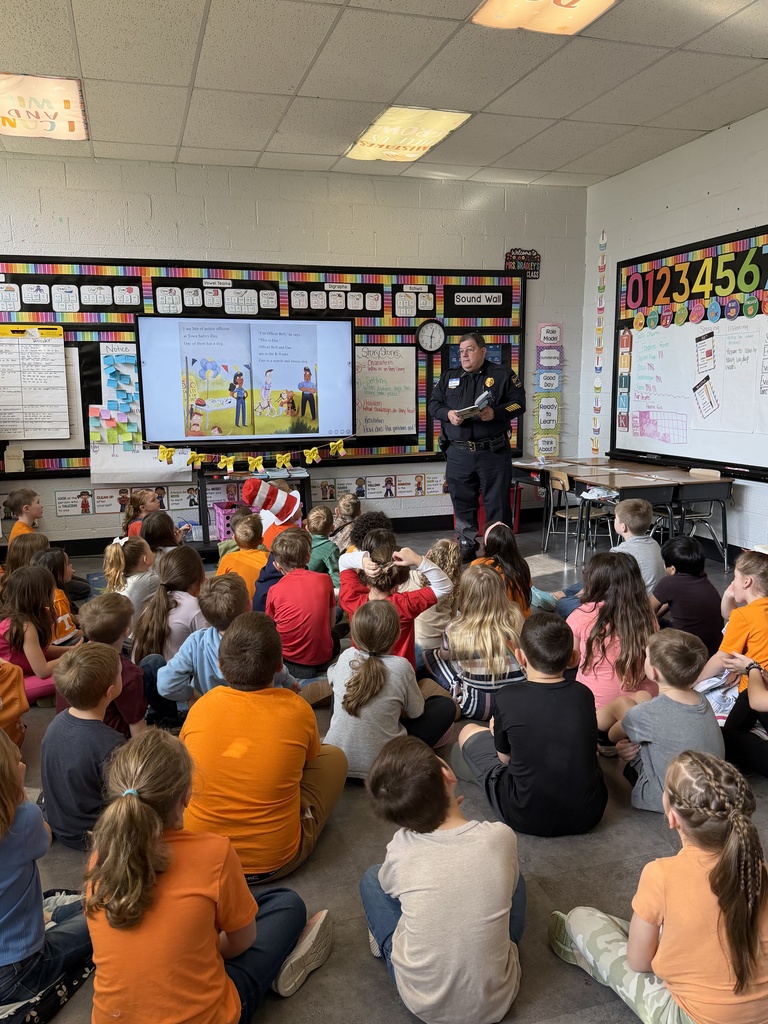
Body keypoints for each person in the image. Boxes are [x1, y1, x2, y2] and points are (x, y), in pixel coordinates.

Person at [85, 730, 333, 1024]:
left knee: (236, 907)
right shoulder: (215, 853)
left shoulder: (100, 858)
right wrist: (207, 944)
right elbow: (242, 941)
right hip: (210, 1014)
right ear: (187, 795)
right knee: (286, 903)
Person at [549, 751, 768, 1024]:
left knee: (581, 918)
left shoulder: (661, 875)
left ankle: (584, 954)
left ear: (672, 817)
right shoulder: (759, 870)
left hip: (692, 1017)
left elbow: (639, 963)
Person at [360, 736, 523, 1024]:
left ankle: (387, 943)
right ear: (447, 774)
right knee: (514, 879)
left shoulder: (401, 847)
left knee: (372, 878)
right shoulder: (500, 836)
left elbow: (387, 885)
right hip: (497, 999)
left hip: (423, 1004)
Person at [180, 612, 348, 879]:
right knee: (335, 757)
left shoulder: (201, 707)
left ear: (221, 666)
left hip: (202, 860)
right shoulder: (297, 709)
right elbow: (310, 761)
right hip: (275, 862)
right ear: (279, 664)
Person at [454, 612, 607, 836]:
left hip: (525, 814)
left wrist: (499, 732)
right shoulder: (583, 694)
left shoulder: (507, 697)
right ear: (573, 657)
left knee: (468, 730)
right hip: (588, 813)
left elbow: (505, 759)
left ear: (520, 656)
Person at [0, 728, 93, 1017]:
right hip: (19, 970)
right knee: (109, 915)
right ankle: (54, 916)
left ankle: (52, 916)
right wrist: (20, 798)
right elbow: (46, 835)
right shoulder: (23, 821)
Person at [324, 602, 457, 777]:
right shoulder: (401, 667)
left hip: (337, 763)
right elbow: (416, 713)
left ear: (354, 634)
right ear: (397, 635)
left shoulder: (346, 656)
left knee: (341, 691)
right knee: (446, 706)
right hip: (385, 767)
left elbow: (331, 676)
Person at [598, 630, 724, 810]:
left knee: (622, 705)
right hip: (711, 794)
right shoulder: (702, 699)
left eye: (646, 656)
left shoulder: (646, 713)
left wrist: (620, 742)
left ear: (654, 672)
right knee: (641, 697)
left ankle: (594, 728)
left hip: (665, 800)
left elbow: (613, 735)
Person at [428, 332, 526, 562]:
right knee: (462, 502)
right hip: (458, 453)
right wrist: (448, 414)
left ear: (483, 351)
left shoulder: (502, 375)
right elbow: (433, 404)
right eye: (461, 351)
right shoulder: (449, 377)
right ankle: (466, 544)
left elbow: (519, 404)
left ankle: (499, 550)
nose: (464, 355)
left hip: (492, 452)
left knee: (497, 504)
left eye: (469, 350)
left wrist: (496, 413)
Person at [41, 644, 125, 849]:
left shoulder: (57, 722)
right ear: (110, 691)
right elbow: (122, 799)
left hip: (57, 819)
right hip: (88, 834)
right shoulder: (111, 743)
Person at [422, 564, 525, 721]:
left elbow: (444, 656)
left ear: (465, 596)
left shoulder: (455, 628)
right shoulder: (516, 617)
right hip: (517, 703)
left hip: (478, 707)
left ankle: (456, 690)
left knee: (431, 655)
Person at [339, 533, 453, 670]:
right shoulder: (404, 605)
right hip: (400, 671)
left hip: (360, 669)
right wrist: (418, 560)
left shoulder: (351, 599)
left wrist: (362, 560)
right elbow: (445, 586)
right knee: (420, 650)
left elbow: (343, 561)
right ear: (397, 586)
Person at [567, 551, 658, 710]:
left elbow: (571, 661)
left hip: (596, 708)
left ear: (593, 581)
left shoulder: (580, 615)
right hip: (646, 706)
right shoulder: (648, 616)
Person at [556, 498, 665, 617]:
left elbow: (602, 586)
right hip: (646, 600)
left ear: (623, 527)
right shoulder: (654, 544)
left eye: (616, 518)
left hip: (627, 609)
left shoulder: (618, 553)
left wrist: (580, 597)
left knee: (564, 604)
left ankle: (561, 597)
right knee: (587, 580)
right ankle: (559, 594)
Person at [266, 528, 339, 678]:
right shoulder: (324, 580)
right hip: (322, 657)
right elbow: (331, 624)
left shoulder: (274, 590)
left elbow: (270, 628)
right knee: (337, 615)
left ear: (277, 566)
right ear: (308, 557)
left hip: (288, 659)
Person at [73, 593, 149, 738]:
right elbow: (136, 726)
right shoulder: (129, 674)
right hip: (115, 737)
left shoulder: (73, 659)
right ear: (127, 631)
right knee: (152, 664)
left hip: (80, 730)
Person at [0, 565, 72, 703]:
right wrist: (72, 655)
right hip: (8, 686)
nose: (55, 592)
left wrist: (69, 650)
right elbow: (42, 670)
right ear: (40, 595)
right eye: (52, 589)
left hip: (24, 673)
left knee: (72, 667)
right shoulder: (25, 626)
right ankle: (41, 696)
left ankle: (44, 696)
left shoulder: (34, 616)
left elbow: (39, 650)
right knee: (74, 674)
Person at [132, 546, 208, 664]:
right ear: (200, 576)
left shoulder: (152, 605)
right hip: (178, 680)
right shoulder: (195, 608)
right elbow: (209, 653)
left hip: (149, 677)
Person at [650, 535, 723, 655]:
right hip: (711, 649)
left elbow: (646, 611)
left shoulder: (669, 582)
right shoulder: (703, 580)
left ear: (672, 569)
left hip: (685, 650)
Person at [399, 538, 461, 672]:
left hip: (415, 643)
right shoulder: (454, 586)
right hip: (438, 646)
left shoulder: (411, 577)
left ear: (429, 555)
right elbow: (452, 616)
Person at [472, 521, 532, 616]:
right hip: (522, 622)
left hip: (493, 623)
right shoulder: (522, 565)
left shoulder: (478, 565)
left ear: (486, 544)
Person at [31, 547, 82, 645]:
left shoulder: (39, 591)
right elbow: (67, 635)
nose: (71, 565)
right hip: (60, 646)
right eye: (67, 564)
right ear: (56, 571)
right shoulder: (58, 597)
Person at [103, 536, 158, 620]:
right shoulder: (150, 580)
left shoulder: (119, 577)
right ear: (146, 559)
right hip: (139, 631)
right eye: (150, 549)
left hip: (124, 630)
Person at [216, 513, 269, 600]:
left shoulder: (228, 559)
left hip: (237, 606)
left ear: (234, 539)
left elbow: (217, 585)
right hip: (262, 605)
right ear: (261, 541)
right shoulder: (269, 558)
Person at [305, 505, 341, 588]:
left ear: (307, 528)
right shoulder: (331, 548)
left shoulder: (300, 541)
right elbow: (336, 579)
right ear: (332, 528)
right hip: (315, 587)